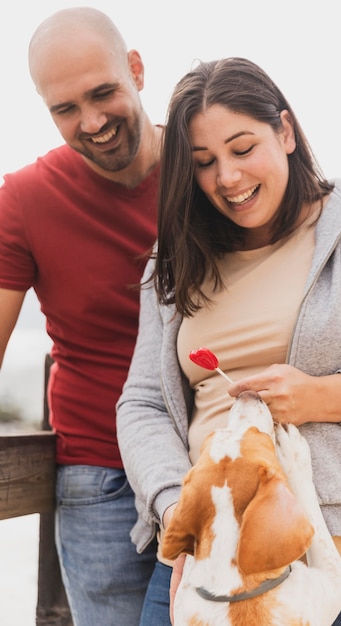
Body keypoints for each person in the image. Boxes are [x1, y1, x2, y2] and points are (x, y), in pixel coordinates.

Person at [116, 56, 341, 625]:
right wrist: (178, 507)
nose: (226, 177)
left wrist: (327, 396)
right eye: (203, 162)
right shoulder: (174, 261)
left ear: (285, 130)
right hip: (203, 570)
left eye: (242, 148)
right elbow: (143, 404)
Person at [0, 8, 161, 626]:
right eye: (65, 108)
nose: (91, 123)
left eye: (103, 93)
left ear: (136, 71)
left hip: (212, 460)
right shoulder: (24, 199)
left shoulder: (210, 171)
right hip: (102, 478)